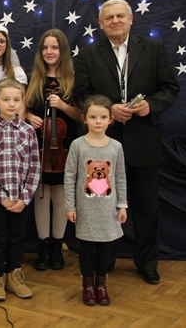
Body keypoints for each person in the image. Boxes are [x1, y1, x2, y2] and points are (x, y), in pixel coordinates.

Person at [73, 0, 179, 285]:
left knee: (146, 208)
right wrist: (109, 110)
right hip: (102, 147)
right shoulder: (88, 54)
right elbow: (80, 95)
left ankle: (147, 264)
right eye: (109, 17)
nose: (115, 21)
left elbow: (170, 88)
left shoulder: (154, 48)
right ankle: (104, 263)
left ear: (131, 19)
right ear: (100, 23)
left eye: (120, 16)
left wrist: (152, 106)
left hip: (144, 142)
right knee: (103, 206)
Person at [0, 78, 41, 301]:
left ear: (22, 101)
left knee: (17, 237)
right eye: (6, 99)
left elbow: (35, 166)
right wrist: (0, 196)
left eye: (16, 100)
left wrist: (25, 197)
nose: (11, 104)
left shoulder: (28, 131)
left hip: (21, 199)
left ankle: (14, 274)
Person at [24, 29, 81, 271]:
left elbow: (81, 115)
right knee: (41, 196)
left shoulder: (73, 79)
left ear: (62, 51)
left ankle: (57, 246)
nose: (49, 52)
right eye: (45, 47)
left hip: (63, 147)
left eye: (54, 47)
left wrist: (63, 106)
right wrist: (29, 117)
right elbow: (24, 107)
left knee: (59, 197)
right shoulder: (35, 78)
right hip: (39, 146)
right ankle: (43, 246)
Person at [64, 95, 128, 306]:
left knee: (104, 249)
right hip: (86, 208)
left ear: (111, 119)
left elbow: (120, 177)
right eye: (93, 117)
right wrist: (70, 206)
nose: (98, 121)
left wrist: (122, 205)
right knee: (86, 248)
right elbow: (70, 177)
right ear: (84, 119)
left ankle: (101, 284)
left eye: (102, 117)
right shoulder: (78, 145)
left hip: (108, 209)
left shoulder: (116, 147)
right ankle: (88, 285)